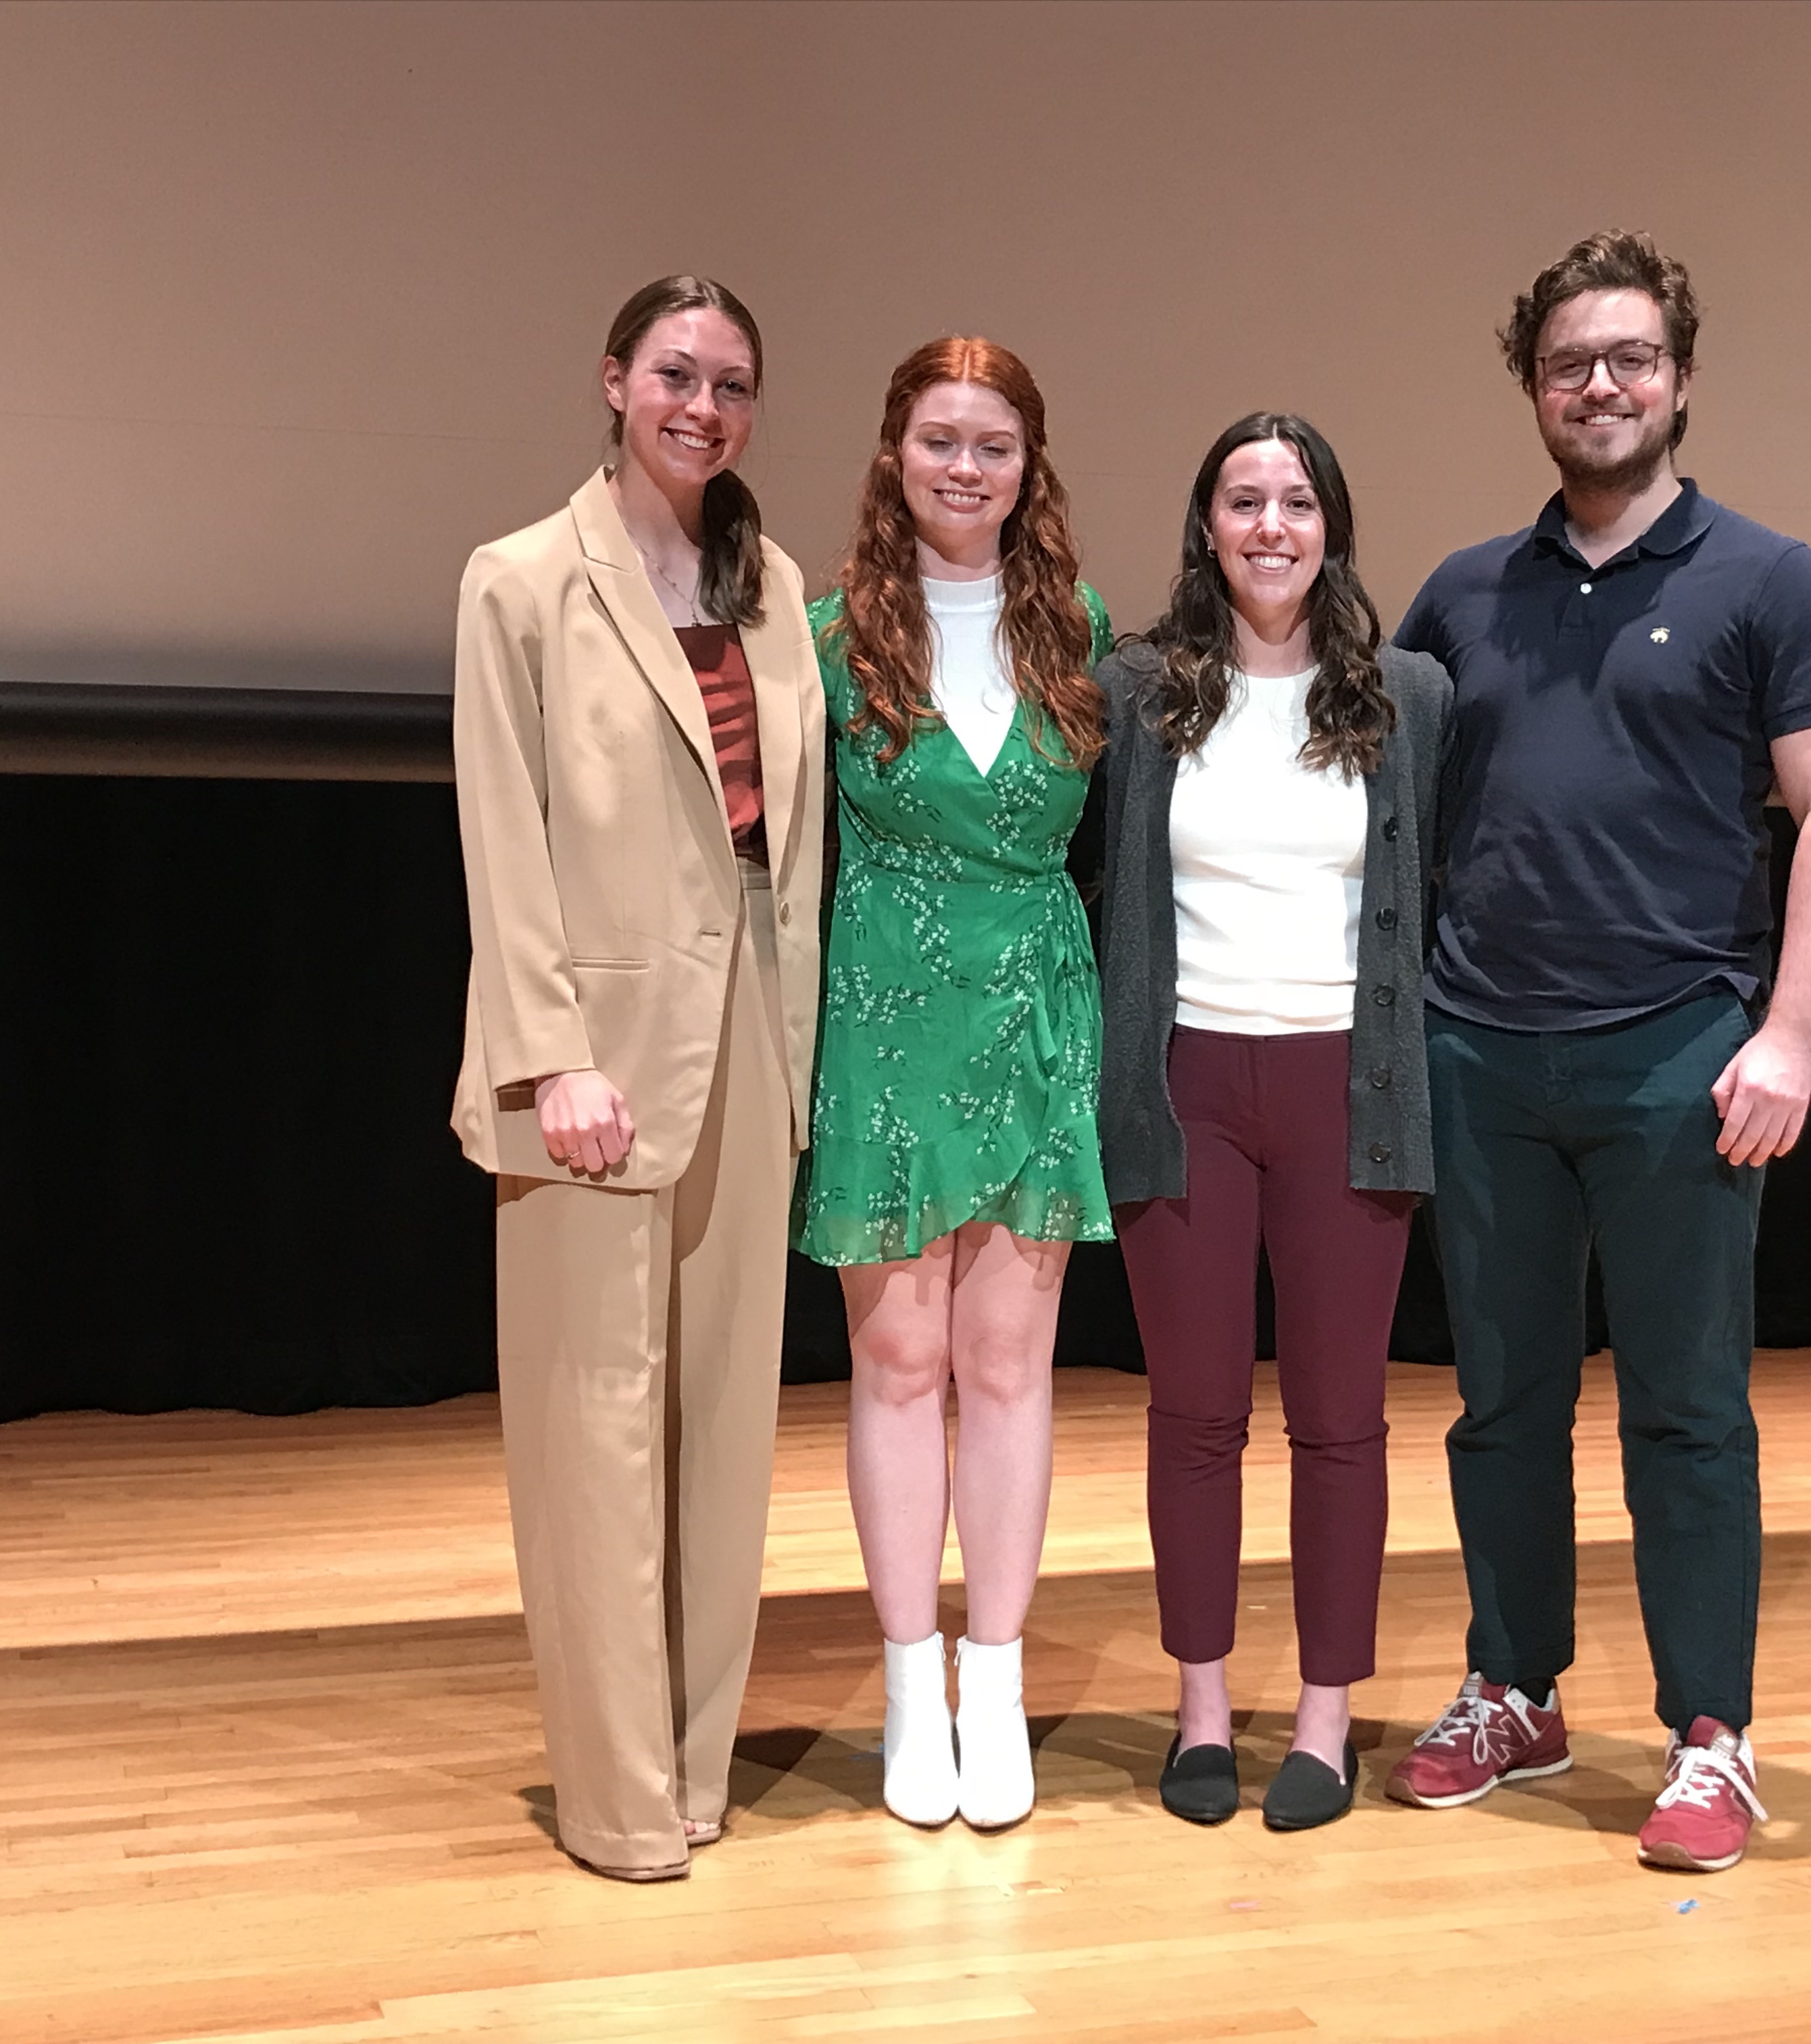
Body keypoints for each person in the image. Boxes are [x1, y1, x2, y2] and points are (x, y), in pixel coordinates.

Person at [1384, 231, 1811, 1874]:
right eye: (1569, 362)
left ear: (1678, 377)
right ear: (1532, 387)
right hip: (1483, 1055)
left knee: (1687, 1409)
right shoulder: (1463, 594)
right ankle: (1512, 1694)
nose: (1600, 385)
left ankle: (1712, 1739)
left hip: (1682, 1056)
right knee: (1501, 1403)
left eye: (1631, 359)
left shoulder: (1769, 578)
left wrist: (1789, 1037)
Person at [449, 276, 826, 1880]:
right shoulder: (521, 580)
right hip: (593, 1053)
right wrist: (551, 1059)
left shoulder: (770, 578)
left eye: (733, 383)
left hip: (754, 1019)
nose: (704, 406)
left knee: (726, 1422)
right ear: (614, 382)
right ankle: (611, 1797)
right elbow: (502, 830)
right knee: (596, 1429)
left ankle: (690, 1769)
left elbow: (785, 839)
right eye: (676, 373)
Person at [1094, 416, 1448, 1832]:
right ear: (1208, 526)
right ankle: (1199, 1714)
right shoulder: (1137, 690)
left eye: (1296, 501)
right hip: (1185, 1087)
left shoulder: (1409, 697)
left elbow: (1436, 878)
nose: (1270, 526)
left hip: (1344, 1094)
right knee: (1193, 1416)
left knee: (1342, 1423)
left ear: (1331, 526)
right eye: (1243, 500)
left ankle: (1319, 1724)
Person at [796, 337, 1114, 1831]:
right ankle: (909, 1682)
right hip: (884, 1024)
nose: (966, 467)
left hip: (1033, 1018)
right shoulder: (828, 634)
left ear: (1027, 463)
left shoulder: (1083, 631)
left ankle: (998, 1683)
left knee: (1008, 1369)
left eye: (993, 443)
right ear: (894, 454)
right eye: (940, 441)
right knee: (899, 1366)